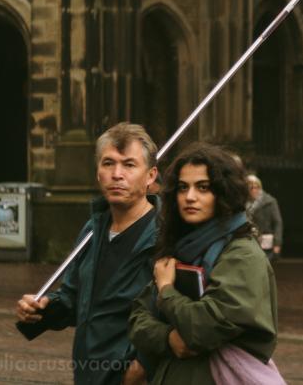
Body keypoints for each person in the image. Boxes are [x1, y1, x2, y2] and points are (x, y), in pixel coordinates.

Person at [15, 122, 160, 384]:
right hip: (88, 372)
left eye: (129, 165)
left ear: (150, 176)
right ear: (97, 173)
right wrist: (43, 308)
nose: (117, 174)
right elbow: (73, 299)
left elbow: (174, 315)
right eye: (108, 163)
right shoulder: (92, 229)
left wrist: (143, 366)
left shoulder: (164, 236)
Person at [129, 143, 283, 384]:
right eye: (183, 187)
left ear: (223, 193)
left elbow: (202, 328)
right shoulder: (180, 247)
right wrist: (169, 339)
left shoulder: (242, 255)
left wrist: (167, 291)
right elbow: (138, 316)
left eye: (203, 187)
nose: (190, 197)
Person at [246, 174, 283, 259]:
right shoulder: (243, 202)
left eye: (256, 187)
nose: (254, 190)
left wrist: (277, 243)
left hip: (266, 243)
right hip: (249, 242)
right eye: (251, 188)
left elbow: (277, 223)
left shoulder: (269, 202)